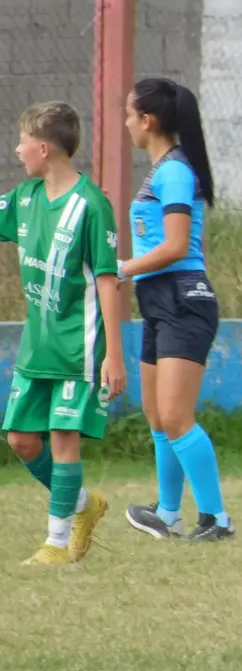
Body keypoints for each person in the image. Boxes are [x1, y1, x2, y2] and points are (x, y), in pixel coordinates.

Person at [0, 101, 125, 566]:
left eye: (22, 142)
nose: (17, 151)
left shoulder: (92, 206)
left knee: (61, 434)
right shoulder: (25, 198)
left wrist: (115, 353)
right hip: (38, 347)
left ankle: (56, 543)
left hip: (81, 347)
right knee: (20, 440)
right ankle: (83, 505)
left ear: (44, 147)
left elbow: (108, 281)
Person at [118, 78, 235, 542]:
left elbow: (176, 245)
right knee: (156, 415)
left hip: (184, 299)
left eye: (129, 115)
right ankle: (168, 514)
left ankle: (216, 520)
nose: (126, 123)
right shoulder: (162, 169)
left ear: (147, 121)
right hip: (158, 302)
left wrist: (120, 268)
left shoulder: (175, 172)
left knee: (176, 415)